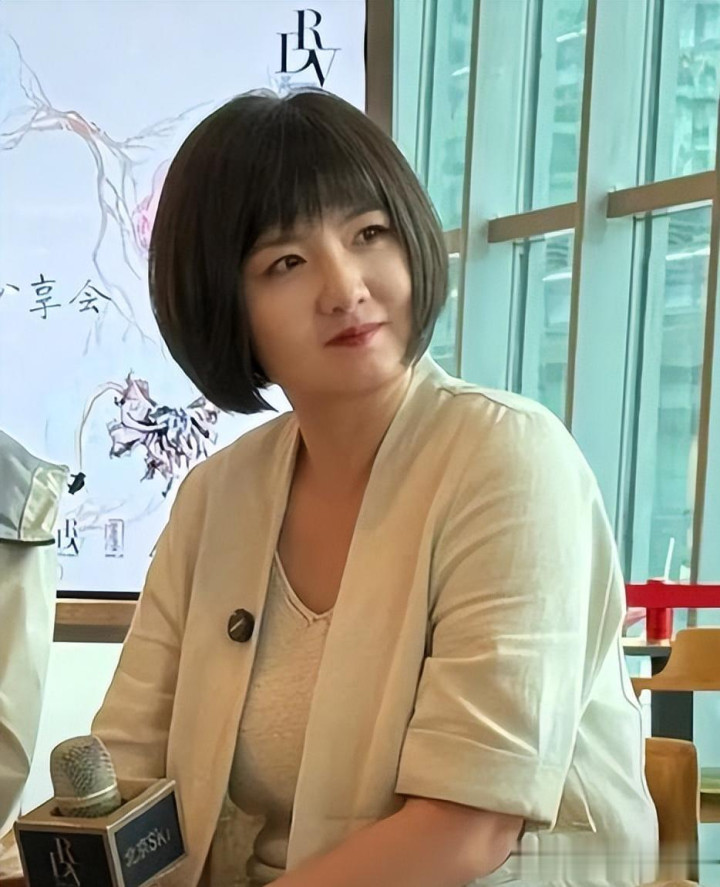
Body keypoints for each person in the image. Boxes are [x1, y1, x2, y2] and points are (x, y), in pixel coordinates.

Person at [92, 89, 658, 887]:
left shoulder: (509, 459)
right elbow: (121, 772)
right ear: (223, 303)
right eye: (285, 263)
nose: (344, 286)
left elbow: (468, 827)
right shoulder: (217, 496)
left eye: (368, 233)